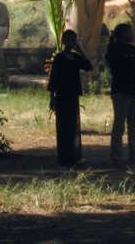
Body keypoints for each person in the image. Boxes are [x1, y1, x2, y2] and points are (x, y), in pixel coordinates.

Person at [47, 30, 92, 167]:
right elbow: (53, 79)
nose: (71, 43)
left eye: (73, 40)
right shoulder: (59, 58)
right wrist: (52, 98)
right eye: (69, 40)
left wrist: (81, 51)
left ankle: (74, 156)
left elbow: (88, 66)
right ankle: (64, 157)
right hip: (62, 95)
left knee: (73, 126)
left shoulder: (76, 57)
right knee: (63, 126)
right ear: (64, 41)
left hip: (73, 95)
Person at [106, 23, 135, 166]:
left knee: (133, 123)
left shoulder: (131, 49)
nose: (132, 34)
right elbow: (119, 69)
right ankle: (116, 155)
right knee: (120, 123)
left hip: (133, 89)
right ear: (123, 34)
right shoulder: (114, 50)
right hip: (122, 90)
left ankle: (133, 154)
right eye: (130, 32)